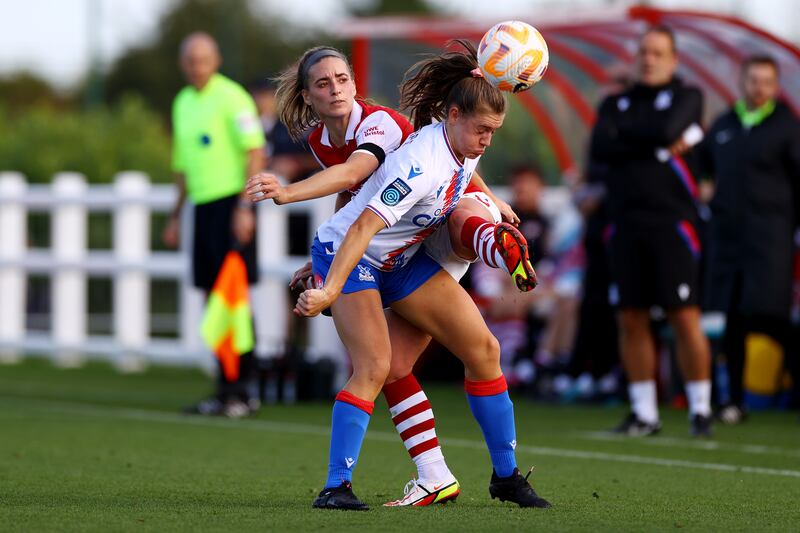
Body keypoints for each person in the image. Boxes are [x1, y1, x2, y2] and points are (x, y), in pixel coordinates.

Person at [246, 45, 538, 507]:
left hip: (403, 254)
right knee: (376, 366)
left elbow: (360, 192)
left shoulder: (463, 135)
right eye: (323, 83)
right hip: (359, 254)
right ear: (455, 115)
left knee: (484, 350)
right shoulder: (418, 162)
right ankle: (335, 488)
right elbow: (359, 213)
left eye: (342, 79)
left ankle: (496, 478)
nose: (486, 140)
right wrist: (330, 283)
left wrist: (495, 199)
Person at [590, 25, 713, 437]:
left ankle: (700, 409)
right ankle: (644, 414)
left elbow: (663, 129)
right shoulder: (616, 102)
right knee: (631, 317)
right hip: (624, 224)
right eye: (644, 51)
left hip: (672, 224)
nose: (649, 59)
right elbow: (601, 148)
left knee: (683, 315)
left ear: (673, 58)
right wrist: (653, 140)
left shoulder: (688, 96)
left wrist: (639, 136)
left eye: (658, 52)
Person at [163, 33, 265, 417]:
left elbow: (255, 152)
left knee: (234, 299)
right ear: (182, 63)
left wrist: (244, 206)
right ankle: (224, 389)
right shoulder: (182, 102)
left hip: (230, 205)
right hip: (202, 210)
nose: (196, 66)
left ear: (216, 59)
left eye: (203, 59)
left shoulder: (233, 96)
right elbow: (182, 167)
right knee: (212, 299)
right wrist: (175, 216)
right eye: (190, 60)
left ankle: (244, 391)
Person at [697, 55, 800, 420]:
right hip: (728, 240)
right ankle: (733, 402)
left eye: (766, 81)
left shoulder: (787, 127)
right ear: (742, 81)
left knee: (772, 320)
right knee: (733, 321)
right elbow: (700, 163)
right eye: (753, 79)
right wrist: (705, 185)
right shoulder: (724, 124)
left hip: (770, 239)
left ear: (774, 87)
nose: (758, 87)